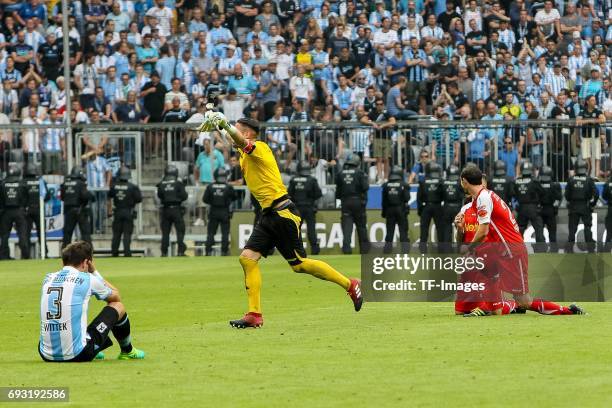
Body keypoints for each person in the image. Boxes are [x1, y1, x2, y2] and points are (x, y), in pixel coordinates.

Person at [197, 114, 363, 328]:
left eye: (237, 129)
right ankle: (254, 314)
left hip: (282, 212)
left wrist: (225, 125)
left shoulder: (260, 148)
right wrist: (219, 127)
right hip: (269, 215)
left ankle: (351, 284)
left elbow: (239, 141)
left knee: (300, 265)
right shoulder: (243, 151)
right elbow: (235, 141)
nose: (233, 134)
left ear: (247, 133)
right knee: (248, 259)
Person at [459, 164, 584, 315]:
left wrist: (469, 247)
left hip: (511, 251)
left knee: (524, 301)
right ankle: (490, 309)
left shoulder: (483, 198)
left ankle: (569, 311)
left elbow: (483, 231)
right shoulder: (484, 196)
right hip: (500, 250)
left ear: (464, 181)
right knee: (484, 272)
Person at [39, 241, 145, 361]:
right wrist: (94, 272)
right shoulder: (87, 278)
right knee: (118, 306)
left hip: (46, 354)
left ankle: (88, 345)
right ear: (86, 263)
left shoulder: (48, 278)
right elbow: (116, 296)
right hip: (78, 354)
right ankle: (127, 351)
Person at [335, 154, 370, 255]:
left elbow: (338, 192)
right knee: (362, 228)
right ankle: (364, 252)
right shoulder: (360, 173)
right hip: (358, 202)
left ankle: (346, 251)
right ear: (357, 162)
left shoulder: (340, 174)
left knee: (347, 229)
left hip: (345, 203)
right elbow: (365, 187)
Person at [288, 161, 323, 255]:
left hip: (296, 208)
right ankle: (315, 250)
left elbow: (289, 195)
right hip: (309, 207)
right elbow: (318, 195)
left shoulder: (293, 180)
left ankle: (296, 250)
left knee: (296, 229)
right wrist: (315, 206)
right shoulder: (312, 180)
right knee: (311, 229)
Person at [564, 158, 598, 253]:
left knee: (572, 229)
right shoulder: (589, 180)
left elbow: (566, 195)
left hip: (574, 206)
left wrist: (571, 201)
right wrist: (592, 203)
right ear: (586, 168)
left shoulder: (571, 180)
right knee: (587, 227)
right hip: (585, 206)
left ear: (575, 168)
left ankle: (570, 249)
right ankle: (590, 248)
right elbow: (596, 194)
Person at [109, 166, 142, 257]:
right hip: (128, 211)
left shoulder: (114, 186)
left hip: (118, 211)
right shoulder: (132, 187)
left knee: (116, 233)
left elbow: (110, 195)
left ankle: (114, 252)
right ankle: (127, 252)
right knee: (127, 233)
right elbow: (139, 199)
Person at [203, 168, 235, 256]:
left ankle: (208, 250)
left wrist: (213, 201)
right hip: (224, 211)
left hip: (213, 211)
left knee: (211, 232)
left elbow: (205, 199)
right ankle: (224, 251)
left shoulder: (210, 187)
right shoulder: (228, 187)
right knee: (225, 233)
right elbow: (234, 197)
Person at [157, 165, 188, 257]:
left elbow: (160, 195)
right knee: (180, 231)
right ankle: (180, 251)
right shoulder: (178, 184)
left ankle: (164, 252)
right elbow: (184, 196)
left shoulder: (161, 184)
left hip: (166, 209)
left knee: (165, 233)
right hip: (176, 209)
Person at [513, 161, 545, 248]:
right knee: (538, 229)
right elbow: (542, 192)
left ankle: (517, 248)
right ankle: (541, 249)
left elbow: (514, 194)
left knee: (520, 229)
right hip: (533, 208)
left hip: (521, 208)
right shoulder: (534, 181)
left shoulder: (516, 181)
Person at [0, 164, 29, 259]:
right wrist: (24, 207)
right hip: (19, 211)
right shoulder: (22, 184)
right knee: (22, 234)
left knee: (4, 235)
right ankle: (25, 256)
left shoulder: (3, 184)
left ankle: (4, 256)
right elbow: (26, 198)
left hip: (6, 212)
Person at [61, 166, 94, 249]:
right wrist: (92, 196)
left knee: (67, 233)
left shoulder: (65, 183)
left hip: (68, 211)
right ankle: (88, 250)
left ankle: (65, 251)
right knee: (85, 232)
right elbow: (85, 196)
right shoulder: (80, 184)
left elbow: (62, 197)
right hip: (80, 210)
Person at [381, 166, 410, 254]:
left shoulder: (386, 185)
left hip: (389, 209)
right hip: (400, 209)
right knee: (403, 230)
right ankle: (405, 250)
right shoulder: (403, 184)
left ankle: (387, 250)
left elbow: (384, 200)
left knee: (389, 231)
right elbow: (407, 198)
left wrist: (384, 212)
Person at [23, 163, 50, 256]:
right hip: (39, 209)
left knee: (26, 233)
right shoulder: (40, 181)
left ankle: (26, 255)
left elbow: (20, 197)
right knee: (41, 232)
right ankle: (44, 252)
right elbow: (47, 196)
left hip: (27, 210)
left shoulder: (23, 181)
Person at [417, 161, 443, 252]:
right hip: (438, 206)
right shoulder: (440, 181)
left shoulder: (423, 181)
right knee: (440, 228)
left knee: (424, 229)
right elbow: (444, 195)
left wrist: (420, 210)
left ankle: (423, 249)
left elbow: (419, 197)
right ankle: (441, 248)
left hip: (426, 207)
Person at [538, 166, 561, 253]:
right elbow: (558, 198)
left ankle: (541, 249)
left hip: (540, 210)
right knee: (552, 232)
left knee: (540, 232)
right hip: (550, 210)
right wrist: (555, 208)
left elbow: (534, 197)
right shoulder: (555, 185)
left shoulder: (537, 184)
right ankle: (554, 250)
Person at [440, 165, 463, 251]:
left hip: (446, 207)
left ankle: (447, 249)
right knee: (460, 229)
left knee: (446, 228)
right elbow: (463, 195)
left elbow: (440, 195)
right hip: (457, 207)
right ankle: (460, 248)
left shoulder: (443, 182)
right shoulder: (460, 182)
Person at [602, 173, 612, 252]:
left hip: (611, 208)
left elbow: (604, 196)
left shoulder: (608, 183)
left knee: (609, 231)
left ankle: (607, 250)